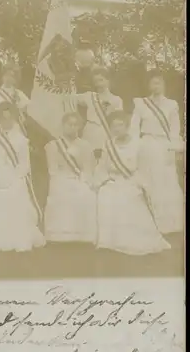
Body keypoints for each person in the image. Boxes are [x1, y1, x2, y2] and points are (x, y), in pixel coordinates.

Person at [95, 111, 171, 255]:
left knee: (127, 197)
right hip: (113, 180)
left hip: (131, 180)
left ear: (127, 126)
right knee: (104, 195)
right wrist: (103, 179)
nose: (117, 129)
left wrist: (140, 183)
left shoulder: (138, 144)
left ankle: (130, 240)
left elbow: (144, 167)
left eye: (120, 125)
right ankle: (109, 241)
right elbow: (102, 166)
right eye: (114, 126)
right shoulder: (108, 145)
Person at [0, 101, 45, 251]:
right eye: (3, 118)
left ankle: (15, 237)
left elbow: (24, 165)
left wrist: (13, 178)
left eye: (10, 118)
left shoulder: (21, 140)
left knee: (16, 191)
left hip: (15, 175)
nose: (7, 122)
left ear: (15, 119)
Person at [130, 71, 184, 235]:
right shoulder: (141, 104)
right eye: (153, 83)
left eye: (159, 83)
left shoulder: (171, 105)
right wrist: (134, 146)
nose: (156, 86)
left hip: (164, 146)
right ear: (148, 85)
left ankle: (166, 223)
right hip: (146, 145)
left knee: (165, 182)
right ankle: (147, 221)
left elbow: (175, 128)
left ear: (163, 85)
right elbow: (134, 127)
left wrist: (173, 147)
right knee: (148, 180)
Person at [44, 112, 96, 243]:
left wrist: (82, 180)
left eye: (75, 125)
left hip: (79, 179)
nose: (72, 128)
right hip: (61, 179)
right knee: (62, 195)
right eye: (69, 124)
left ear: (79, 127)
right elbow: (53, 169)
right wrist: (63, 180)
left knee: (85, 195)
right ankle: (60, 235)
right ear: (63, 125)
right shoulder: (53, 145)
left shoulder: (86, 145)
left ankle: (81, 235)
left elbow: (88, 168)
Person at [74, 65, 123, 159]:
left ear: (108, 81)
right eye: (96, 81)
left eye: (101, 80)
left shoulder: (116, 100)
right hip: (90, 132)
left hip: (106, 132)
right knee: (88, 158)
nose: (99, 84)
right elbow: (70, 97)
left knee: (105, 159)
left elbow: (119, 120)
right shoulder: (89, 96)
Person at [0, 61, 30, 138]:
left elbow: (28, 112)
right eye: (6, 75)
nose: (8, 78)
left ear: (16, 79)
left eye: (12, 76)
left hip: (16, 131)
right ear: (2, 76)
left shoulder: (20, 95)